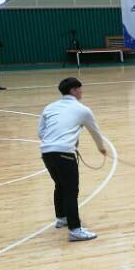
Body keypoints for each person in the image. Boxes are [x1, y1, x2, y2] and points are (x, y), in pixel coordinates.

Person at [37, 77, 107, 242]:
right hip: (64, 154)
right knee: (70, 191)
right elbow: (95, 131)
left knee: (60, 185)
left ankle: (61, 218)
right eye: (80, 89)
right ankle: (75, 230)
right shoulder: (83, 110)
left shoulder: (50, 107)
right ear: (73, 90)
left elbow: (41, 133)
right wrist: (101, 148)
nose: (82, 92)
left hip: (46, 153)